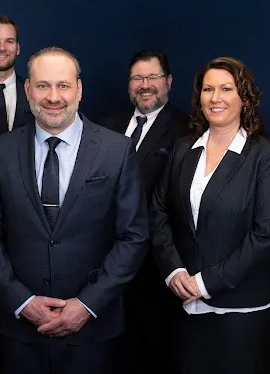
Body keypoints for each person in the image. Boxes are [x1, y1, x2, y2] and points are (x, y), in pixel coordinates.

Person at [0, 47, 149, 374]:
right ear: (27, 89)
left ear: (79, 89)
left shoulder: (116, 150)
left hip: (92, 329)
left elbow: (133, 237)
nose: (53, 97)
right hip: (19, 331)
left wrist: (87, 304)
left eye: (63, 85)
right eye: (43, 85)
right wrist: (23, 302)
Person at [150, 56, 270, 374]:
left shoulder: (267, 156)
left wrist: (205, 283)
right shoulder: (183, 149)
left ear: (245, 98)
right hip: (184, 302)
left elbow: (266, 235)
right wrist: (174, 271)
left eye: (226, 89)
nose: (215, 98)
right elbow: (158, 212)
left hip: (241, 311)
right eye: (208, 89)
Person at [99, 49, 189, 374]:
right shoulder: (106, 126)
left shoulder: (186, 129)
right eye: (137, 77)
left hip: (153, 268)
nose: (145, 84)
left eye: (153, 77)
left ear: (169, 81)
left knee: (151, 355)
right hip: (103, 263)